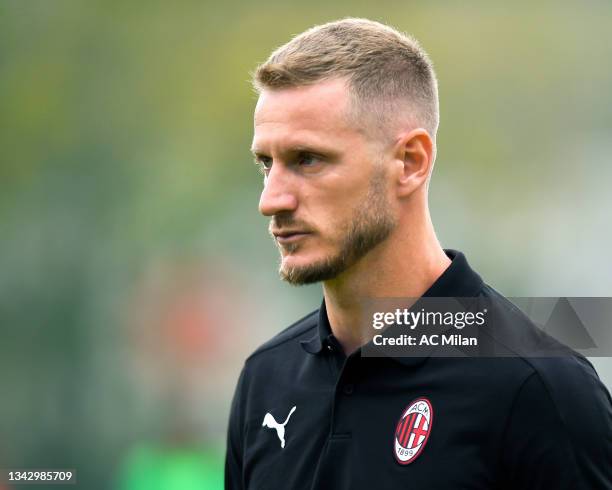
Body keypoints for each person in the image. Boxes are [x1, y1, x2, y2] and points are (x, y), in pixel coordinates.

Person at [225, 18, 612, 489]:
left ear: (410, 162)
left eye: (308, 159)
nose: (271, 199)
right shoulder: (265, 378)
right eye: (267, 163)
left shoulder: (539, 388)